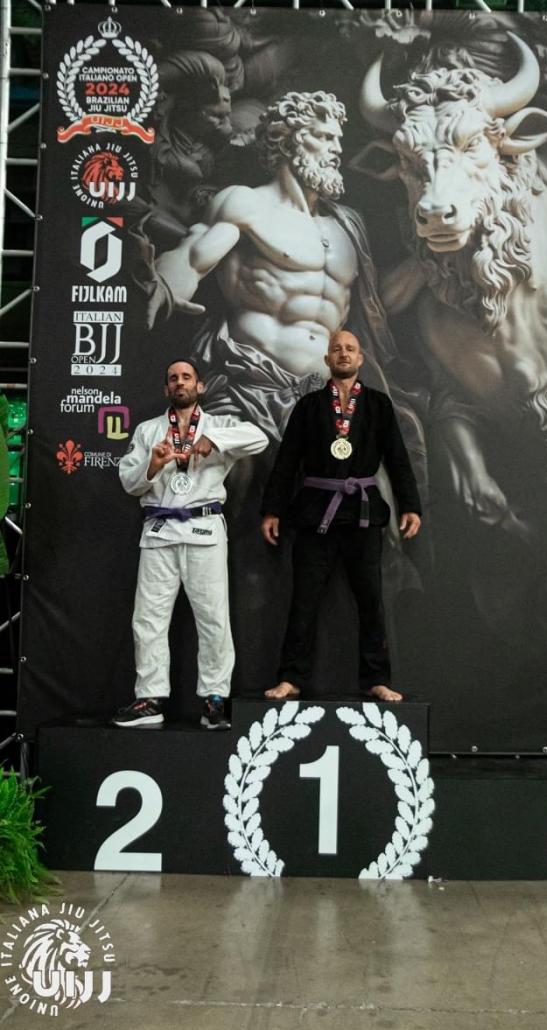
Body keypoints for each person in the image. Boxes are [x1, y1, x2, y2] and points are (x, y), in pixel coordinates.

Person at [145, 90, 410, 448]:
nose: (336, 149)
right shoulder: (248, 204)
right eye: (325, 137)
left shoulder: (347, 226)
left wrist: (426, 265)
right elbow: (190, 258)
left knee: (373, 477)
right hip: (251, 389)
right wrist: (162, 287)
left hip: (325, 395)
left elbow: (377, 308)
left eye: (338, 139)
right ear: (289, 141)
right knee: (217, 468)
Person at [261, 330, 421, 703]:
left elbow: (398, 458)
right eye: (336, 349)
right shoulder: (309, 406)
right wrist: (272, 510)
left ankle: (376, 678)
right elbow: (287, 461)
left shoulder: (378, 405)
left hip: (362, 514)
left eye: (350, 349)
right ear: (327, 360)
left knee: (371, 600)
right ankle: (291, 677)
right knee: (304, 600)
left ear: (361, 358)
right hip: (315, 512)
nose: (343, 354)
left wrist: (410, 505)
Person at [112, 359, 268, 729]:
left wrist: (215, 441)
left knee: (213, 618)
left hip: (204, 530)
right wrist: (153, 464)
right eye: (173, 379)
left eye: (186, 377)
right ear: (166, 389)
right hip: (160, 531)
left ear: (200, 386)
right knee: (148, 619)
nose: (179, 383)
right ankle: (150, 698)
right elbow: (129, 482)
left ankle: (214, 699)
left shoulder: (219, 426)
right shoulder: (150, 431)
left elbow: (259, 438)